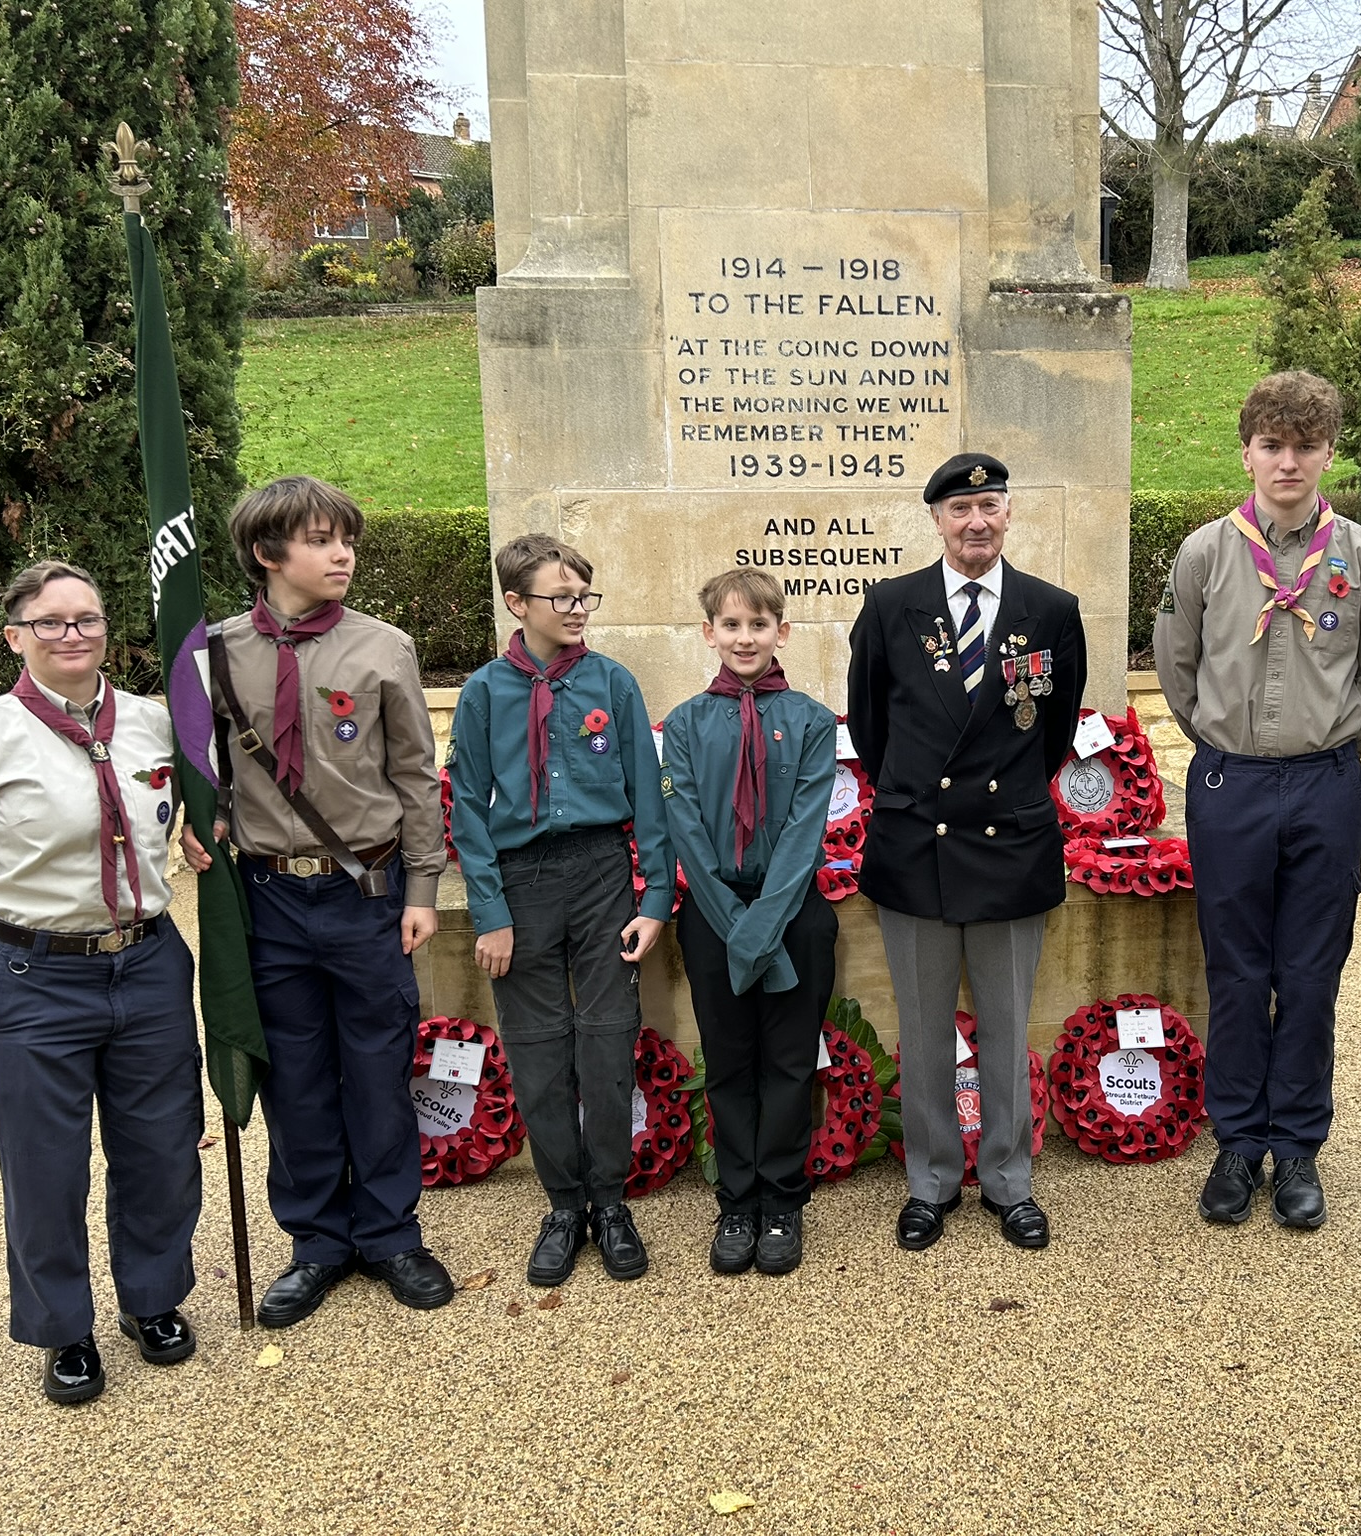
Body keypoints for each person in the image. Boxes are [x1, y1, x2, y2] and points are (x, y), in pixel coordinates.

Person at [0, 561, 200, 1404]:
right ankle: (62, 1329)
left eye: (87, 618)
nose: (72, 634)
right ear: (16, 636)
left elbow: (180, 821)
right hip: (34, 975)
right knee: (43, 1166)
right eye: (50, 622)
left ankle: (151, 1301)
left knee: (158, 1150)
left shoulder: (155, 724)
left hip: (148, 962)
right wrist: (26, 941)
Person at [183, 476, 451, 1326]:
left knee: (375, 1068)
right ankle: (316, 1244)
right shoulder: (213, 653)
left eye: (347, 540)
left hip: (364, 894)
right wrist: (200, 821)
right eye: (321, 539)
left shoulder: (384, 647)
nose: (343, 555)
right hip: (267, 899)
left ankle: (390, 1234)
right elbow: (204, 772)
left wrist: (421, 888)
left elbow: (414, 775)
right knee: (293, 1077)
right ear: (268, 555)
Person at [1154, 370, 1361, 1230]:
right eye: (1272, 445)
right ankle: (1236, 1142)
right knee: (1236, 970)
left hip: (1327, 783)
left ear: (1329, 452)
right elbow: (1177, 669)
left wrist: (1328, 747)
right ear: (1248, 451)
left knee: (1309, 974)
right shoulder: (1205, 553)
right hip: (1232, 785)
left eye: (1305, 446)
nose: (1288, 462)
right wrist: (1229, 745)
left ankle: (1296, 1145)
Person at [847, 451, 1086, 1252]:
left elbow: (1050, 736)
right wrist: (915, 798)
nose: (976, 522)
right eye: (960, 511)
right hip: (918, 847)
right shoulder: (891, 607)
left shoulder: (1050, 610)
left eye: (990, 508)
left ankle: (1010, 1181)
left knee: (1007, 1028)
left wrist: (1012, 797)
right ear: (938, 520)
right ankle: (932, 1182)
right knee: (922, 1032)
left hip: (1010, 849)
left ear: (1008, 514)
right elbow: (872, 729)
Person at [446, 534, 674, 1285]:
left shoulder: (612, 682)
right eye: (561, 598)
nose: (577, 611)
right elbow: (468, 809)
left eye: (584, 597)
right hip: (524, 880)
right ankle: (562, 1204)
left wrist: (656, 897)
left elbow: (648, 793)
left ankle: (609, 1202)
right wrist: (490, 911)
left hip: (602, 870)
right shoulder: (484, 691)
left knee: (608, 1038)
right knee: (539, 1046)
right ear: (517, 603)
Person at [661, 569, 838, 1276]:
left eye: (758, 625)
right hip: (713, 914)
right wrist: (734, 922)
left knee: (791, 1063)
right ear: (709, 634)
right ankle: (736, 1202)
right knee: (730, 1063)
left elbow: (804, 833)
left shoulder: (812, 721)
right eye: (730, 626)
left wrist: (762, 926)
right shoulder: (683, 724)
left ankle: (782, 1203)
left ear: (781, 633)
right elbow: (685, 833)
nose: (744, 638)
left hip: (792, 914)